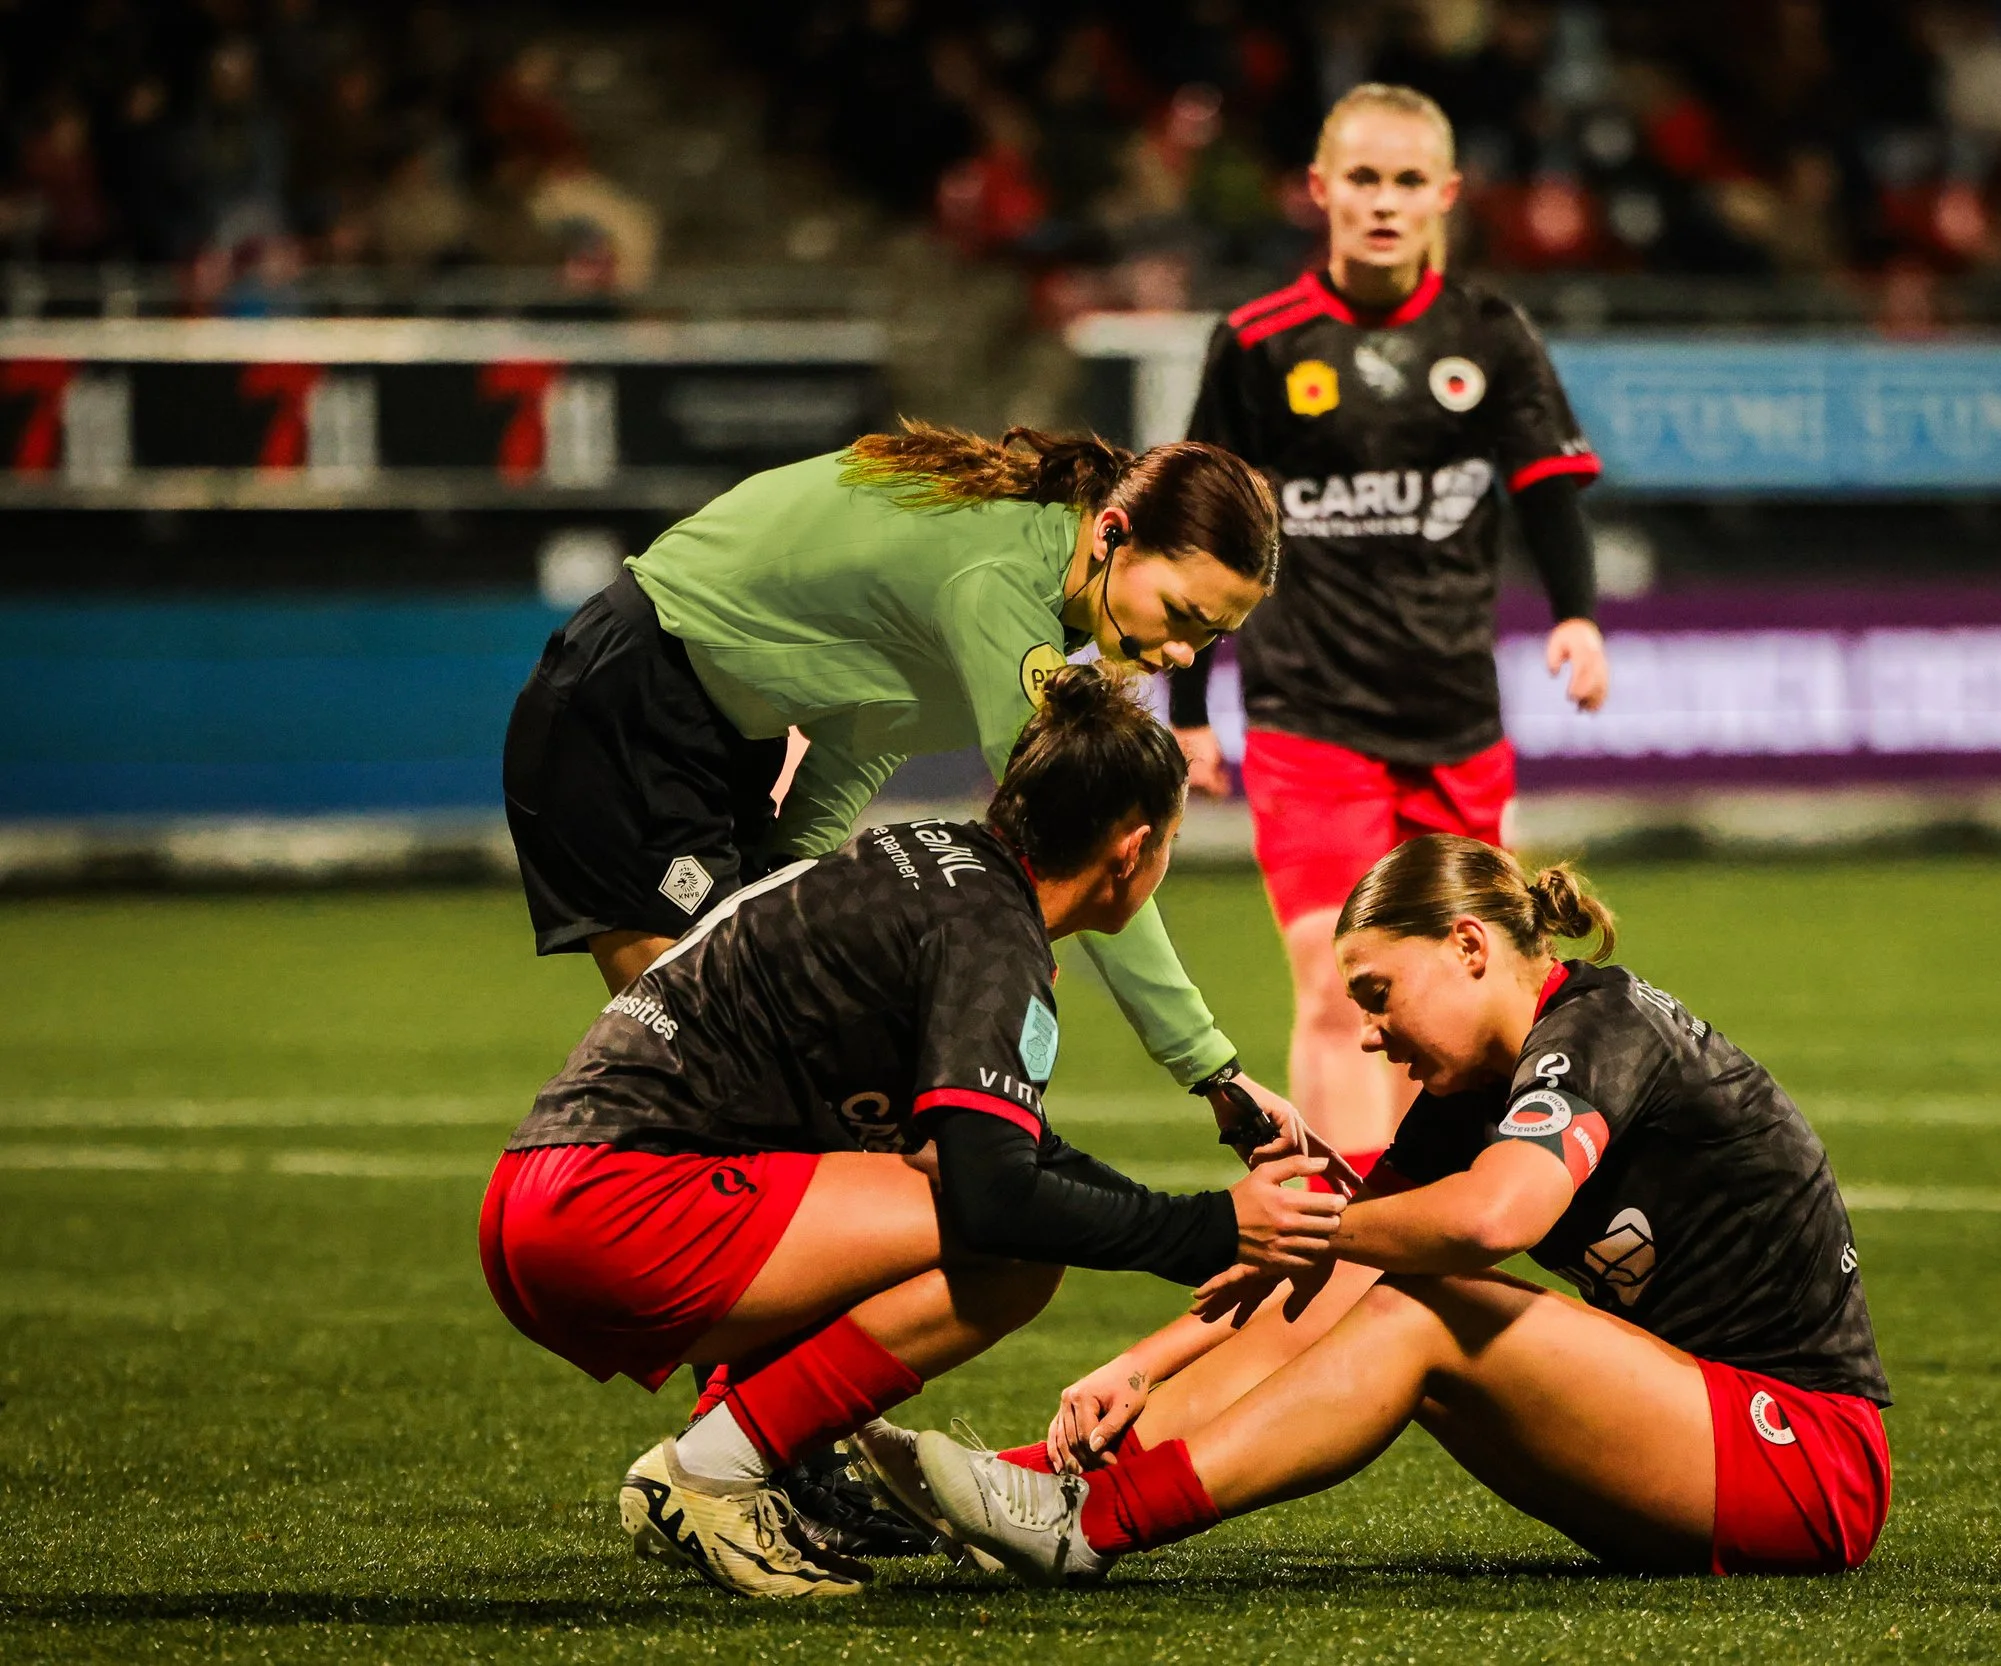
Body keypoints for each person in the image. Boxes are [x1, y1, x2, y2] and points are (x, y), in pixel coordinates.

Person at [478, 666, 1348, 1599]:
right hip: (615, 1212)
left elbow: (992, 1151)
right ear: (1134, 851)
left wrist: (1216, 1229)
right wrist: (1213, 1229)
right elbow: (997, 1195)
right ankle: (713, 1472)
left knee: (956, 1186)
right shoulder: (993, 939)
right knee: (1014, 1251)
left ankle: (756, 1457)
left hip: (543, 1197)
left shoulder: (930, 862)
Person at [891, 834, 1893, 1581]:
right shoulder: (1475, 1085)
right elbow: (1327, 1271)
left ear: (1468, 945)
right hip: (1692, 1443)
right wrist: (1142, 1367)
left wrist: (1311, 1226)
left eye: (1379, 992)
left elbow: (1493, 1220)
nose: (1369, 1033)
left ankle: (1093, 1524)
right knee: (1382, 1279)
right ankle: (1040, 1484)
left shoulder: (1602, 1028)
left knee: (1423, 1303)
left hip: (1805, 1458)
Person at [503, 420, 1307, 1124]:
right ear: (1112, 534)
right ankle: (578, 1211)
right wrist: (1210, 1067)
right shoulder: (1000, 583)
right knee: (712, 1049)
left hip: (714, 733)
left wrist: (789, 875)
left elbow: (871, 727)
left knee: (766, 1061)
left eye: (1212, 636)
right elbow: (1084, 844)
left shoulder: (1044, 595)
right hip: (622, 709)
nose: (1182, 654)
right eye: (1181, 614)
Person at [1169, 83, 1612, 1173]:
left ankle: (1435, 1224)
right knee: (1339, 987)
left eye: (1406, 180)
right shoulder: (1258, 345)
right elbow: (1207, 533)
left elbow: (1548, 488)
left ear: (1445, 196)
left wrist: (1577, 617)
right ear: (1319, 188)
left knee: (1458, 1000)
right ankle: (1346, 1234)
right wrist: (1187, 708)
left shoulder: (1488, 334)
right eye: (1362, 178)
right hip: (1308, 711)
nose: (1382, 201)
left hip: (1454, 714)